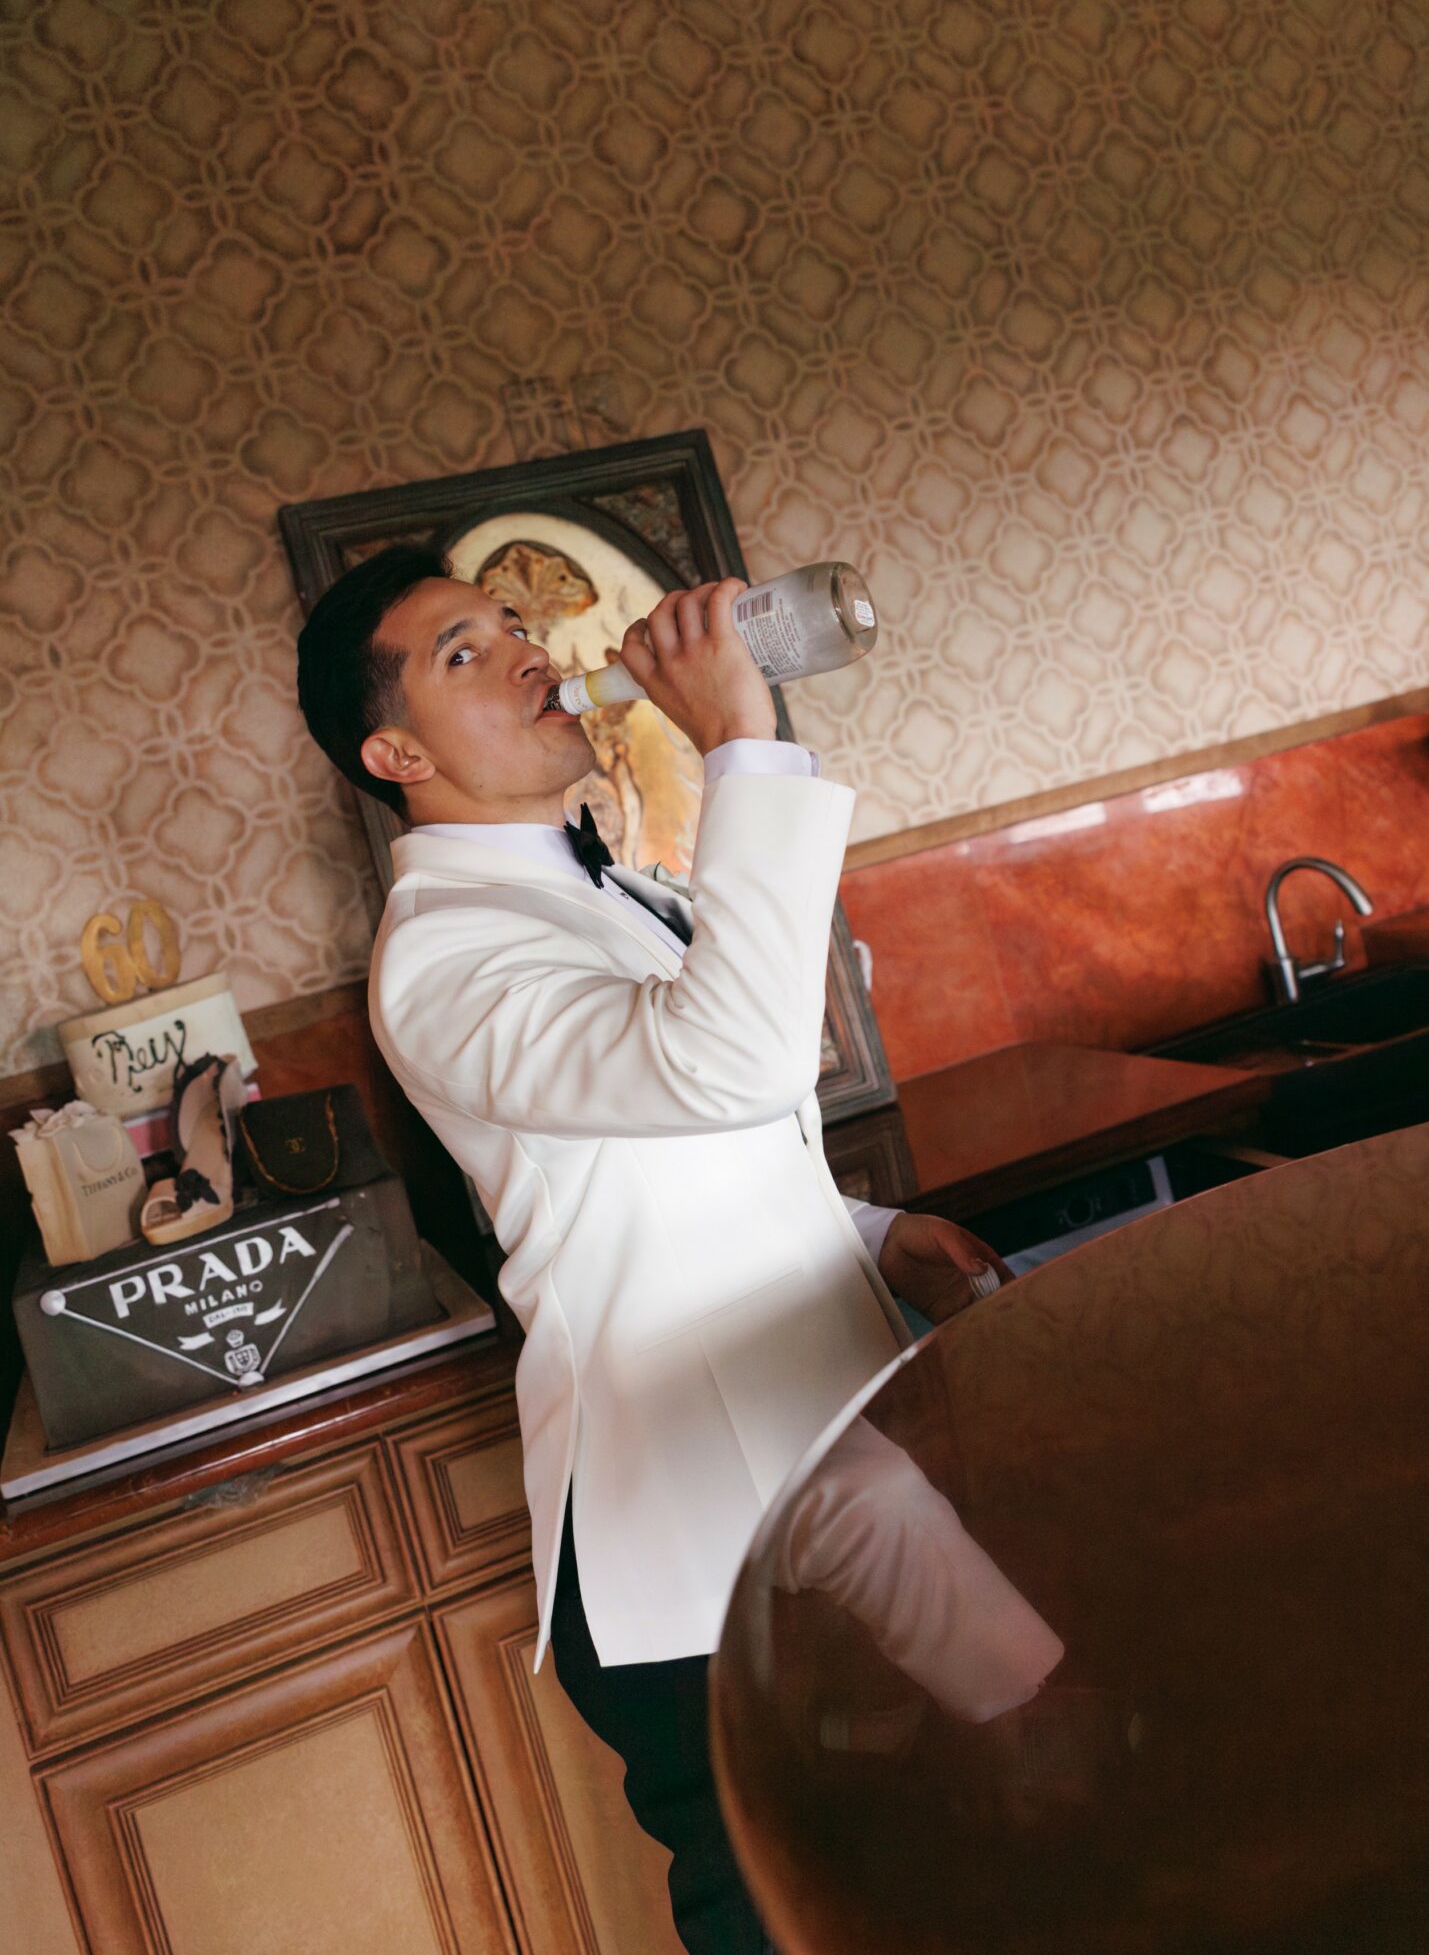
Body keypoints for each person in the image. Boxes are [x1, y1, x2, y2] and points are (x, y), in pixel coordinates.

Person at [296, 548, 1012, 1954]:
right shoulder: (441, 954)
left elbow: (672, 1155)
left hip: (828, 1438)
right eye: (460, 652)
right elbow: (733, 1066)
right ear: (392, 753)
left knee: (1023, 1776)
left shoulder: (600, 887)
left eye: (512, 625)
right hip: (684, 1528)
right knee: (790, 1910)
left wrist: (873, 1234)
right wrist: (741, 740)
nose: (522, 652)